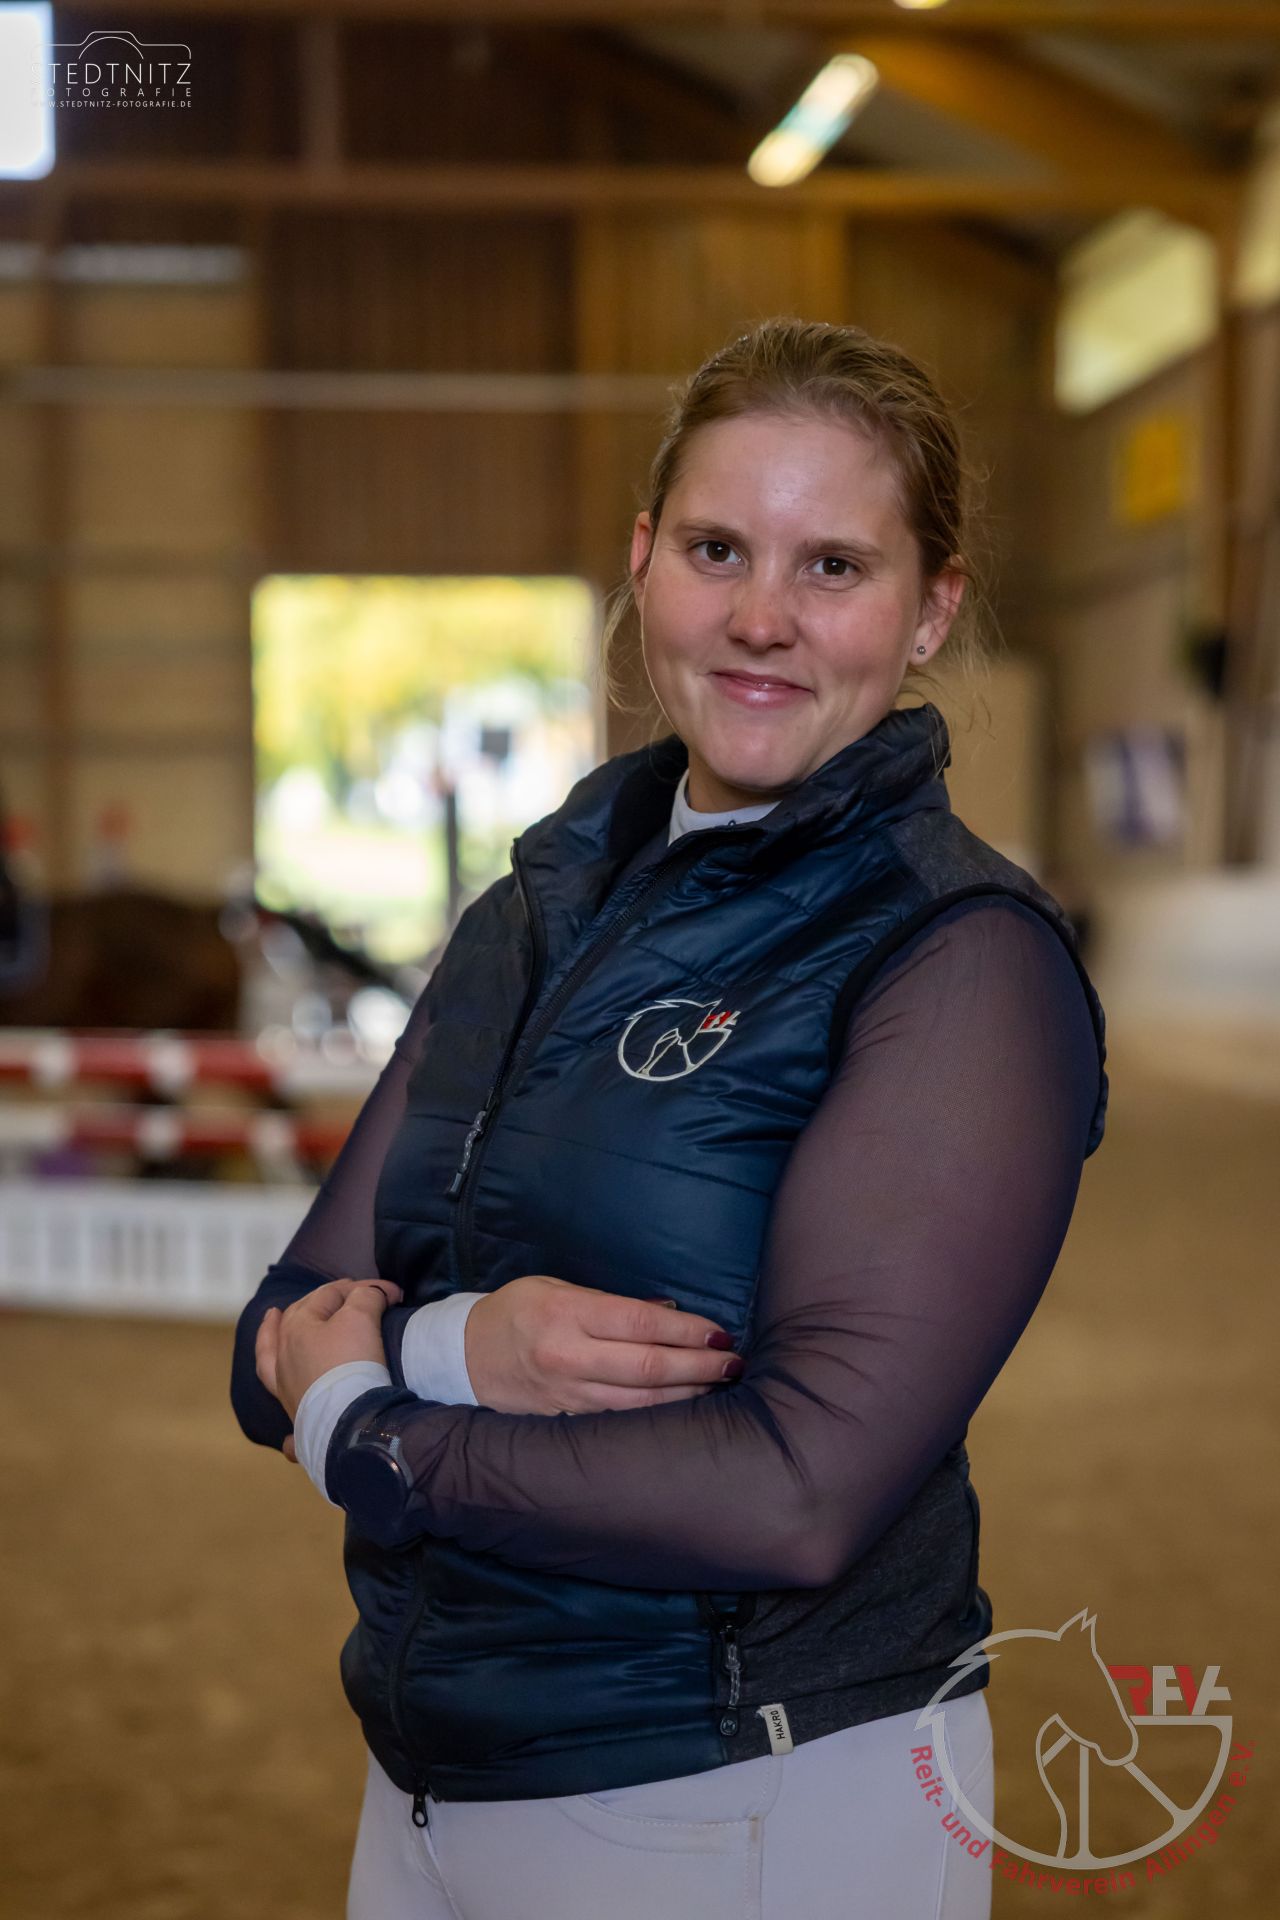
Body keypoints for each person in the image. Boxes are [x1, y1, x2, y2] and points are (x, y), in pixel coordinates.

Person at [233, 317, 1108, 1920]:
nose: (763, 617)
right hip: (429, 1780)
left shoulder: (958, 958)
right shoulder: (534, 909)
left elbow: (798, 1491)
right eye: (718, 550)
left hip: (751, 1795)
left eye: (834, 566)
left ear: (931, 611)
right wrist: (457, 1347)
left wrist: (372, 1433)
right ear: (643, 562)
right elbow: (279, 1330)